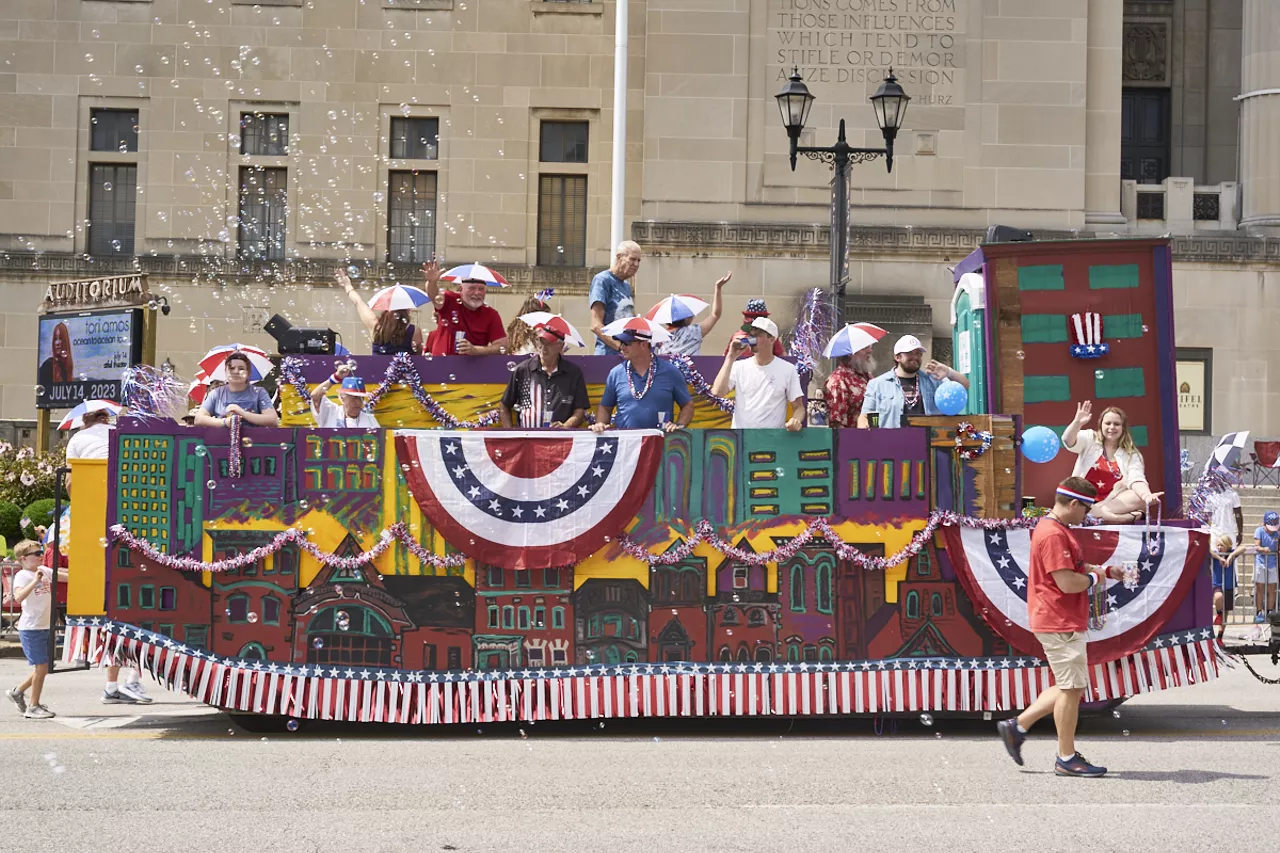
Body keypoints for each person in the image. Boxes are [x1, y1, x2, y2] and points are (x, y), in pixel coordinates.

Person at [997, 477, 1126, 778]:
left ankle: (1017, 727)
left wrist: (1105, 570)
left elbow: (1073, 569)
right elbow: (1068, 582)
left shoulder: (1052, 529)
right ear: (1073, 504)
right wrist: (1098, 578)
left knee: (1069, 684)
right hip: (1059, 619)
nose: (1088, 514)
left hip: (1056, 618)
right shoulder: (1054, 534)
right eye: (1086, 508)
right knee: (1072, 688)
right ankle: (1065, 757)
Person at [1061, 401, 1161, 524]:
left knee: (1138, 497)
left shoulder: (1132, 454)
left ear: (1123, 428)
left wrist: (1146, 496)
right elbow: (1068, 441)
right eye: (1108, 423)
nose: (1112, 427)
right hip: (1084, 501)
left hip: (1111, 504)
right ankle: (1120, 518)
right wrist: (1077, 422)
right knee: (1077, 505)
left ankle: (1095, 516)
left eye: (1117, 424)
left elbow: (1136, 479)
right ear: (1101, 425)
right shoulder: (1090, 438)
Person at [5, 540, 69, 719]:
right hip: (32, 628)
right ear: (24, 559)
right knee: (42, 667)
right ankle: (33, 707)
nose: (41, 555)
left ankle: (17, 692)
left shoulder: (45, 571)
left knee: (45, 667)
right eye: (37, 554)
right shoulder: (23, 575)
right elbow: (18, 597)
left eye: (41, 552)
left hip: (45, 626)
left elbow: (66, 576)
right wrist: (35, 581)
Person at [593, 327, 694, 432]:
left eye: (627, 343)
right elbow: (605, 407)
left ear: (643, 344)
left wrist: (679, 425)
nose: (622, 347)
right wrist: (600, 424)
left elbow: (687, 405)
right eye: (621, 342)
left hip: (659, 442)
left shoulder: (671, 372)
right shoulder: (616, 373)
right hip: (626, 443)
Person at [711, 317, 804, 431]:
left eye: (758, 335)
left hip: (771, 440)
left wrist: (795, 420)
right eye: (751, 334)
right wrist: (731, 357)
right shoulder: (738, 366)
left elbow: (799, 407)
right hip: (741, 439)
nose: (752, 339)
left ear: (771, 339)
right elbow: (717, 392)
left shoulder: (787, 369)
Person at [858, 335, 968, 429]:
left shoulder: (932, 380)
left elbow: (964, 385)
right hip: (891, 447)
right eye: (909, 353)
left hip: (927, 446)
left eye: (918, 353)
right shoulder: (877, 384)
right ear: (897, 357)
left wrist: (948, 371)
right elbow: (864, 416)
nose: (915, 357)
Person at [499, 321, 590, 428]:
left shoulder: (573, 372)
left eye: (549, 343)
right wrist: (510, 435)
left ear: (560, 346)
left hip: (560, 441)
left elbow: (580, 410)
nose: (543, 347)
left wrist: (565, 426)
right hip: (527, 439)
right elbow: (504, 405)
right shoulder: (522, 370)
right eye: (541, 341)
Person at [422, 258, 508, 356]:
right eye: (472, 288)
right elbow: (434, 295)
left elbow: (502, 346)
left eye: (481, 289)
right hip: (442, 364)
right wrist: (432, 282)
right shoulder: (450, 300)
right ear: (460, 289)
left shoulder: (491, 314)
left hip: (473, 368)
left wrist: (476, 350)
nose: (477, 293)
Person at [334, 268, 424, 355]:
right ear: (407, 310)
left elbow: (358, 302)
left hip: (376, 369)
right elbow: (418, 356)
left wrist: (347, 285)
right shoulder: (414, 330)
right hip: (403, 370)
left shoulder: (375, 326)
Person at [193, 352, 279, 428]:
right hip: (221, 442)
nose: (236, 371)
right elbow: (199, 419)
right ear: (225, 371)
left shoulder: (259, 392)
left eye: (241, 368)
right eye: (231, 368)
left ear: (248, 372)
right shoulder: (216, 393)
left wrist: (242, 413)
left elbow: (272, 420)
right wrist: (224, 422)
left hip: (255, 441)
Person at [654, 272, 731, 357]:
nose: (693, 316)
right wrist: (718, 288)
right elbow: (715, 315)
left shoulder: (659, 338)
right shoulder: (693, 332)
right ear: (685, 318)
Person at [590, 241, 641, 355]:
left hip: (626, 355)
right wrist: (620, 347)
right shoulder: (602, 280)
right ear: (619, 257)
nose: (636, 264)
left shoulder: (626, 286)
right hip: (607, 355)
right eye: (632, 259)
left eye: (639, 260)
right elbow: (596, 325)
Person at [310, 363, 379, 428]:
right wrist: (335, 377)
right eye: (354, 398)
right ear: (342, 398)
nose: (358, 402)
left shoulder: (370, 419)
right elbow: (315, 396)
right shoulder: (331, 411)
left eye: (361, 398)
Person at [824, 345, 876, 428]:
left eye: (870, 347)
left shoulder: (867, 376)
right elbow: (837, 423)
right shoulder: (838, 380)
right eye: (864, 348)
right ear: (850, 353)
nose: (870, 350)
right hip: (853, 438)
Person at [1210, 532, 1244, 640]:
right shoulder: (1216, 554)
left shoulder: (1231, 553)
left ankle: (1220, 637)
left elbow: (1243, 548)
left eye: (1222, 545)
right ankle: (1218, 614)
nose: (1219, 547)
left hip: (1229, 585)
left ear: (1228, 545)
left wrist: (1231, 556)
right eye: (1218, 545)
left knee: (1226, 613)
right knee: (1218, 597)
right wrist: (1219, 558)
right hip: (1217, 583)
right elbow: (1207, 549)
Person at [1203, 464, 1244, 548]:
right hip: (1215, 531)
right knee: (1215, 557)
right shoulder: (1210, 496)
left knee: (1230, 557)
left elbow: (1238, 514)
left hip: (1229, 530)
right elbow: (1207, 516)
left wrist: (1240, 532)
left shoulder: (1233, 495)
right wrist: (1204, 531)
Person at [1253, 511, 1279, 624]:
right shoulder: (1259, 531)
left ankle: (1269, 612)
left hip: (1273, 563)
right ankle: (1259, 612)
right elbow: (1256, 546)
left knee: (1271, 588)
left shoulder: (1277, 533)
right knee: (1260, 588)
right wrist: (1263, 549)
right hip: (1261, 562)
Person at [37, 321, 75, 388]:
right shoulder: (48, 365)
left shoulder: (66, 368)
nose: (57, 343)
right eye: (55, 339)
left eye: (60, 338)